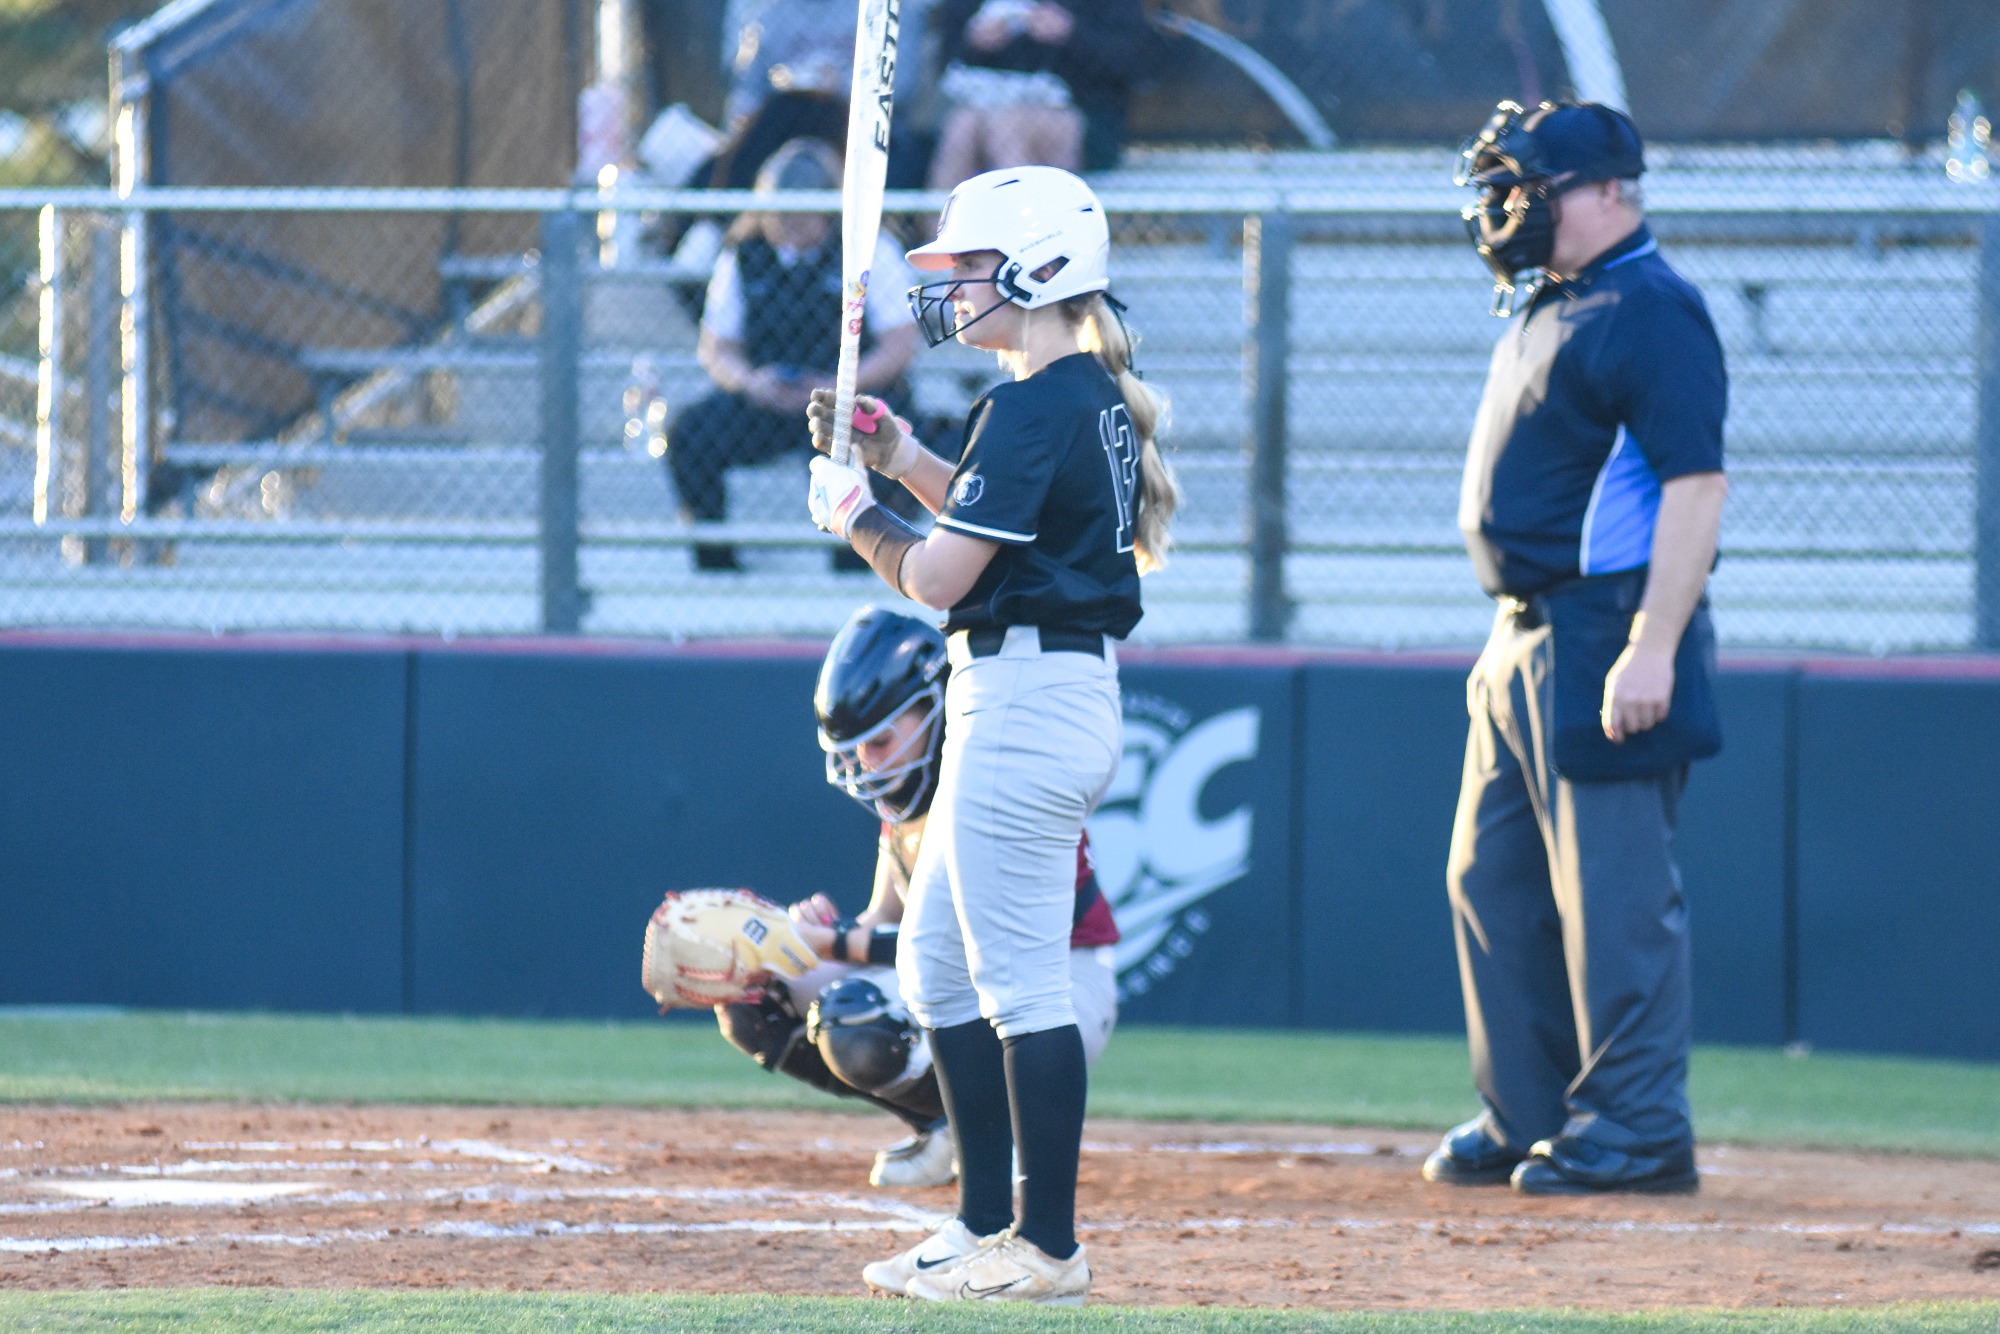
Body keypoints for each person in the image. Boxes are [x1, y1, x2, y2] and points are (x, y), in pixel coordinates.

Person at [803, 166, 1178, 1304]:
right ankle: (977, 1222)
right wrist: (895, 456)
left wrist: (852, 514)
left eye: (970, 266)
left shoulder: (1034, 403)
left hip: (1027, 695)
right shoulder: (1074, 393)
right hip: (1029, 687)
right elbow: (998, 520)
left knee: (1018, 983)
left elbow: (936, 575)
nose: (953, 287)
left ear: (1039, 267)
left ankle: (1046, 1246)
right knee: (932, 963)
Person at [1428, 101, 1729, 1197]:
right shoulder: (1554, 299)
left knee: (1614, 897)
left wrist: (1651, 646)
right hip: (1520, 634)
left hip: (1604, 631)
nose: (1508, 207)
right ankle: (1529, 1110)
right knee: (1491, 879)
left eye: (1530, 188)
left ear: (1607, 190)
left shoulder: (1651, 307)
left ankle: (1637, 1127)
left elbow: (1695, 489)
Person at [712, 604, 1121, 1189]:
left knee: (858, 1019)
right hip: (979, 987)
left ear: (937, 709)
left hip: (1057, 987)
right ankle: (942, 1129)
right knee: (757, 997)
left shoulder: (992, 784)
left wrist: (829, 941)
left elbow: (958, 944)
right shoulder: (911, 800)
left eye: (880, 741)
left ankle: (995, 1137)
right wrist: (787, 946)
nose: (865, 762)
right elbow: (886, 920)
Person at [665, 138, 917, 571]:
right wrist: (751, 382)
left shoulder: (867, 250)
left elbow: (899, 344)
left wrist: (840, 386)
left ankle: (857, 561)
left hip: (846, 400)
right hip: (771, 397)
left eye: (802, 217)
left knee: (867, 435)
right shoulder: (744, 254)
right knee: (690, 434)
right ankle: (716, 561)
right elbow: (717, 346)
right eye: (780, 216)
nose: (790, 228)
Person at [926, 0, 1157, 186]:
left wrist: (1070, 33)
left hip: (1085, 117)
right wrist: (975, 43)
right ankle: (941, 230)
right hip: (985, 110)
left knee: (1005, 124)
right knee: (962, 125)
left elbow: (1135, 64)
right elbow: (946, 62)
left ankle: (1025, 227)